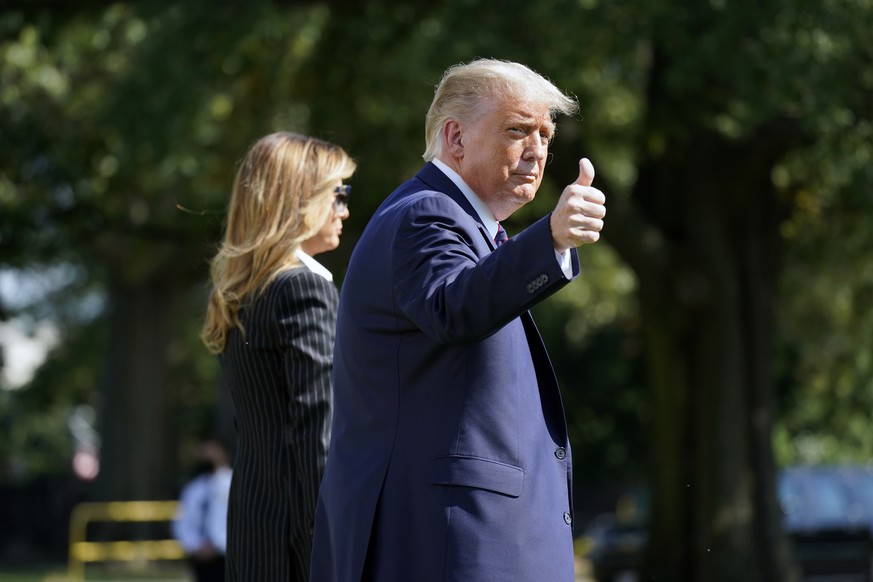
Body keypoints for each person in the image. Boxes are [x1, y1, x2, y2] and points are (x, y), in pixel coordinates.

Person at [310, 58, 606, 582]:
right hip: (449, 539)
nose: (537, 151)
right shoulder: (427, 213)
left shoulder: (464, 224)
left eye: (545, 134)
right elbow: (455, 307)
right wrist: (552, 238)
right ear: (456, 137)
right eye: (518, 130)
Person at [200, 132, 356, 581]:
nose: (344, 209)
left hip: (254, 530)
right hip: (301, 546)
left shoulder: (241, 296)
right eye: (337, 194)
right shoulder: (303, 289)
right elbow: (318, 432)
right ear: (299, 201)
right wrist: (333, 550)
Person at [172, 438, 233, 582]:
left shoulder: (235, 484)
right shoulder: (194, 489)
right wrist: (195, 545)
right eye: (205, 451)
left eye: (213, 450)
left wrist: (218, 545)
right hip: (200, 558)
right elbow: (183, 522)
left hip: (227, 556)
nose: (208, 455)